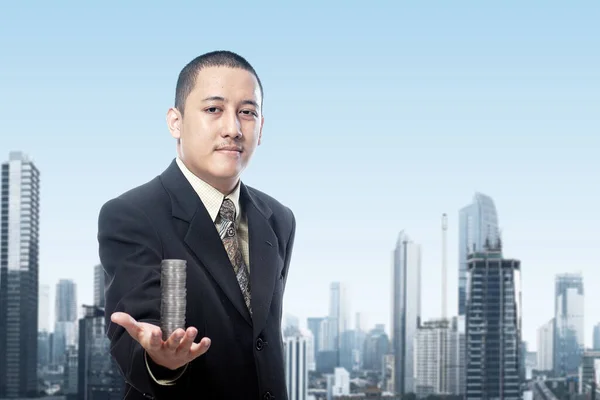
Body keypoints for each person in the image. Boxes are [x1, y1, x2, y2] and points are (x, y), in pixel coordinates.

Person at [97, 50, 296, 400]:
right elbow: (135, 333)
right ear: (176, 122)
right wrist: (161, 360)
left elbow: (262, 339)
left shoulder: (278, 218)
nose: (233, 128)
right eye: (213, 109)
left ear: (261, 127)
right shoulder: (131, 214)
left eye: (247, 113)